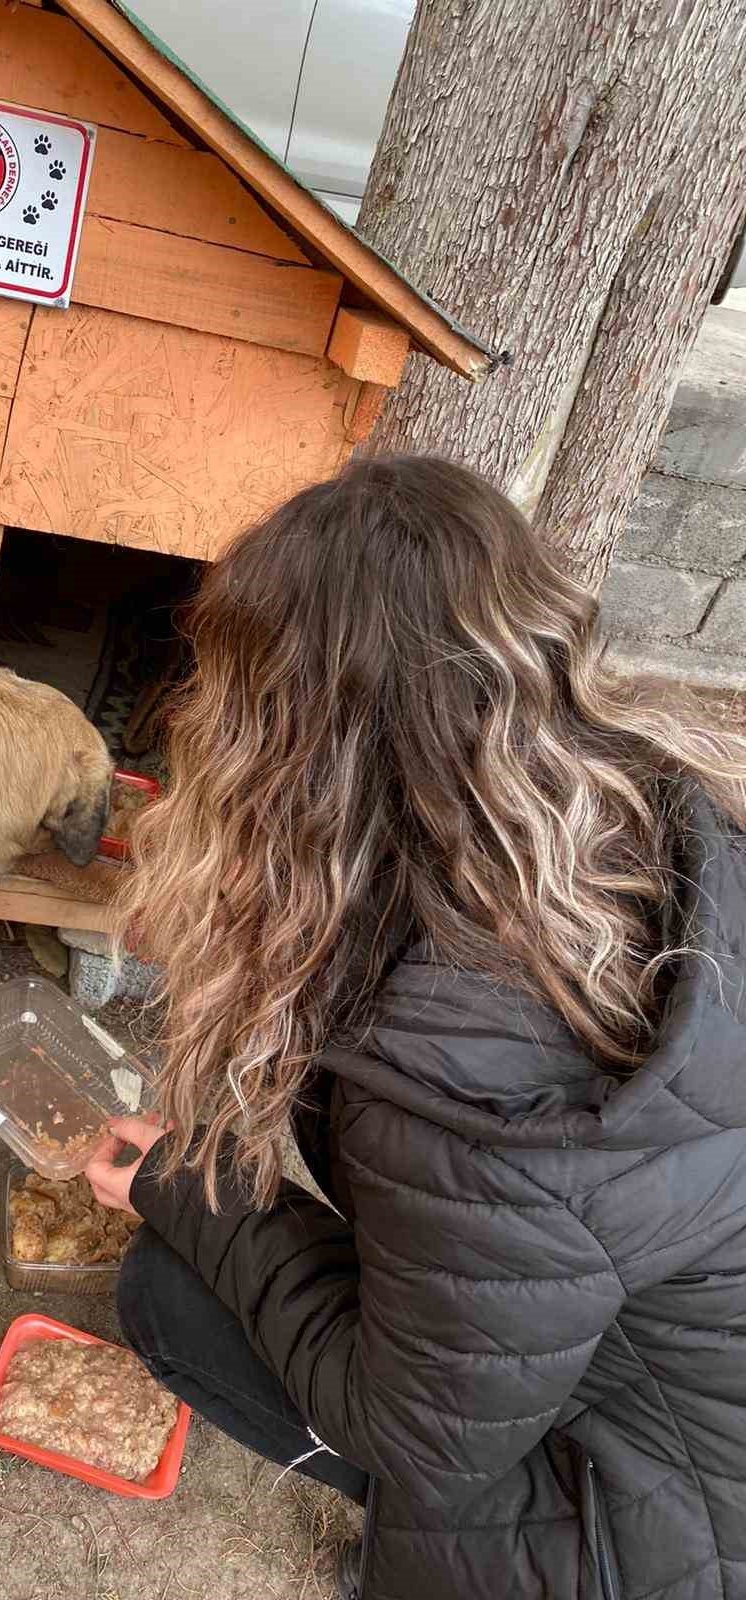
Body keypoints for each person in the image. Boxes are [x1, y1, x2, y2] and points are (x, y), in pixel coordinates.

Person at [84, 455, 746, 1600]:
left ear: (285, 750)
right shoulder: (665, 795)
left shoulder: (463, 1063)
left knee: (171, 1288)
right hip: (690, 1379)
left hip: (672, 1533)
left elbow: (419, 1431)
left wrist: (192, 1190)